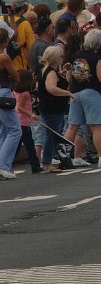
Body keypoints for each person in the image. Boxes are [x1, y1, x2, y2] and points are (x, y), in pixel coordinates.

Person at [65, 29, 101, 166]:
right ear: (98, 43)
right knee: (96, 127)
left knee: (73, 127)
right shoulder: (96, 58)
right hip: (92, 93)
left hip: (75, 93)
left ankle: (66, 155)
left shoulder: (75, 56)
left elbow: (70, 75)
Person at [37, 45, 72, 172]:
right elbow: (51, 88)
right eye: (60, 56)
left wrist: (63, 73)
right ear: (55, 59)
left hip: (51, 107)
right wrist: (67, 93)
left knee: (51, 134)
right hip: (52, 108)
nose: (62, 58)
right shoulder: (51, 72)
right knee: (52, 135)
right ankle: (47, 162)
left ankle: (48, 161)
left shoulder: (48, 71)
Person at [0, 30, 24, 179]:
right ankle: (4, 166)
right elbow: (16, 76)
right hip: (4, 92)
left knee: (2, 130)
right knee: (15, 130)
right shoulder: (4, 57)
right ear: (5, 41)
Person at [12, 69, 41, 173]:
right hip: (23, 121)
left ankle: (6, 162)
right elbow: (20, 107)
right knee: (29, 144)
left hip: (18, 121)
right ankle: (35, 166)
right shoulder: (25, 94)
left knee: (17, 145)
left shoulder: (15, 91)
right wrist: (31, 114)